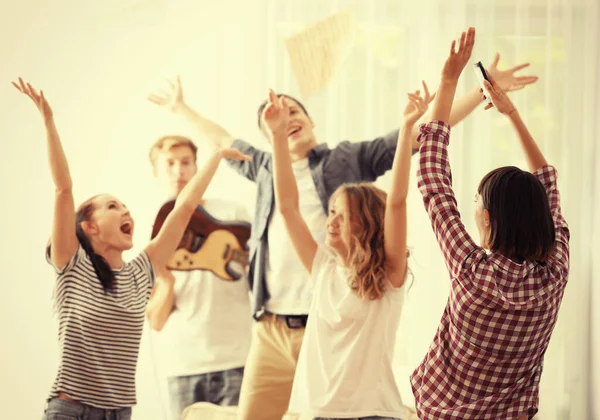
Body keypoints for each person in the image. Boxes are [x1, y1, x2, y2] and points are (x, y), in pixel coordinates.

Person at [148, 60, 538, 420]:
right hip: (270, 326)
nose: (287, 117)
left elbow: (409, 150)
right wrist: (182, 108)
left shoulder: (342, 162)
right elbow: (235, 152)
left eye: (294, 111)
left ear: (310, 119)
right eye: (278, 117)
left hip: (321, 318)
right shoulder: (268, 167)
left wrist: (480, 91)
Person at [12, 78, 251, 420]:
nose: (125, 211)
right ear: (89, 227)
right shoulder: (72, 265)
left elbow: (183, 210)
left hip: (120, 413)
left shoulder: (141, 272)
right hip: (71, 410)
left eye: (125, 206)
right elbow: (63, 189)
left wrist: (216, 157)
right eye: (112, 207)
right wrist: (49, 121)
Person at [410, 28, 570, 420]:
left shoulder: (472, 269)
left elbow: (432, 180)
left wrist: (449, 80)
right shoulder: (555, 272)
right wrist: (511, 114)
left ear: (485, 218)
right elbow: (547, 181)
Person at [262, 81, 429, 420]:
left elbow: (396, 202)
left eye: (341, 213)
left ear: (366, 223)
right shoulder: (323, 268)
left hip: (372, 413)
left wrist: (409, 126)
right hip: (320, 414)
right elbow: (288, 208)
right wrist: (278, 136)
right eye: (331, 211)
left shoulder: (388, 275)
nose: (330, 220)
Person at [145, 134, 253, 419]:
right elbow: (155, 320)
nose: (178, 171)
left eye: (185, 162)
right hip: (183, 364)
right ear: (156, 171)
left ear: (197, 167)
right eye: (169, 163)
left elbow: (258, 270)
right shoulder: (151, 230)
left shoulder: (233, 213)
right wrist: (166, 281)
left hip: (237, 356)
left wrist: (236, 258)